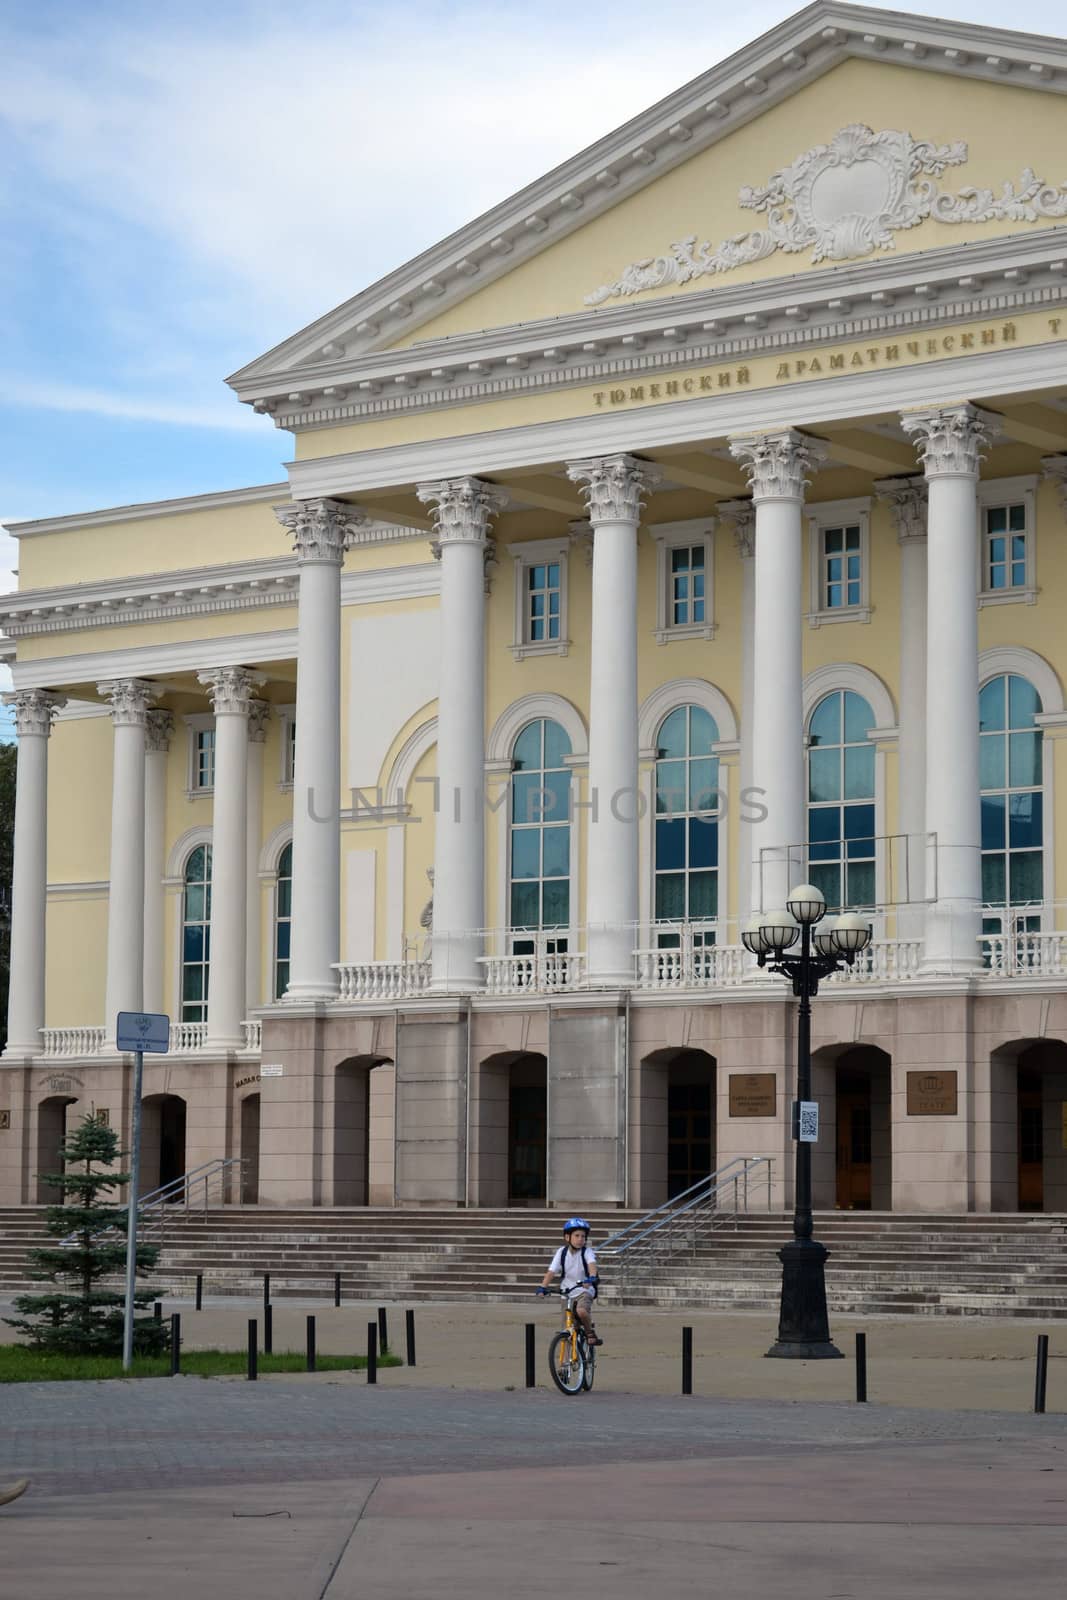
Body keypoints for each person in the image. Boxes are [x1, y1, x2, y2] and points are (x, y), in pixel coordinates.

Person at [536, 1216, 603, 1349]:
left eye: (583, 1236)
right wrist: (542, 1287)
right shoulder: (562, 1252)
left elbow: (592, 1266)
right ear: (567, 1237)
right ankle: (565, 1365)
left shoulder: (587, 1252)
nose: (580, 1239)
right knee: (567, 1329)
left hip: (584, 1290)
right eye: (577, 1235)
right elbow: (551, 1271)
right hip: (567, 1292)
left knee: (582, 1311)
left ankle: (590, 1333)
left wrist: (591, 1278)